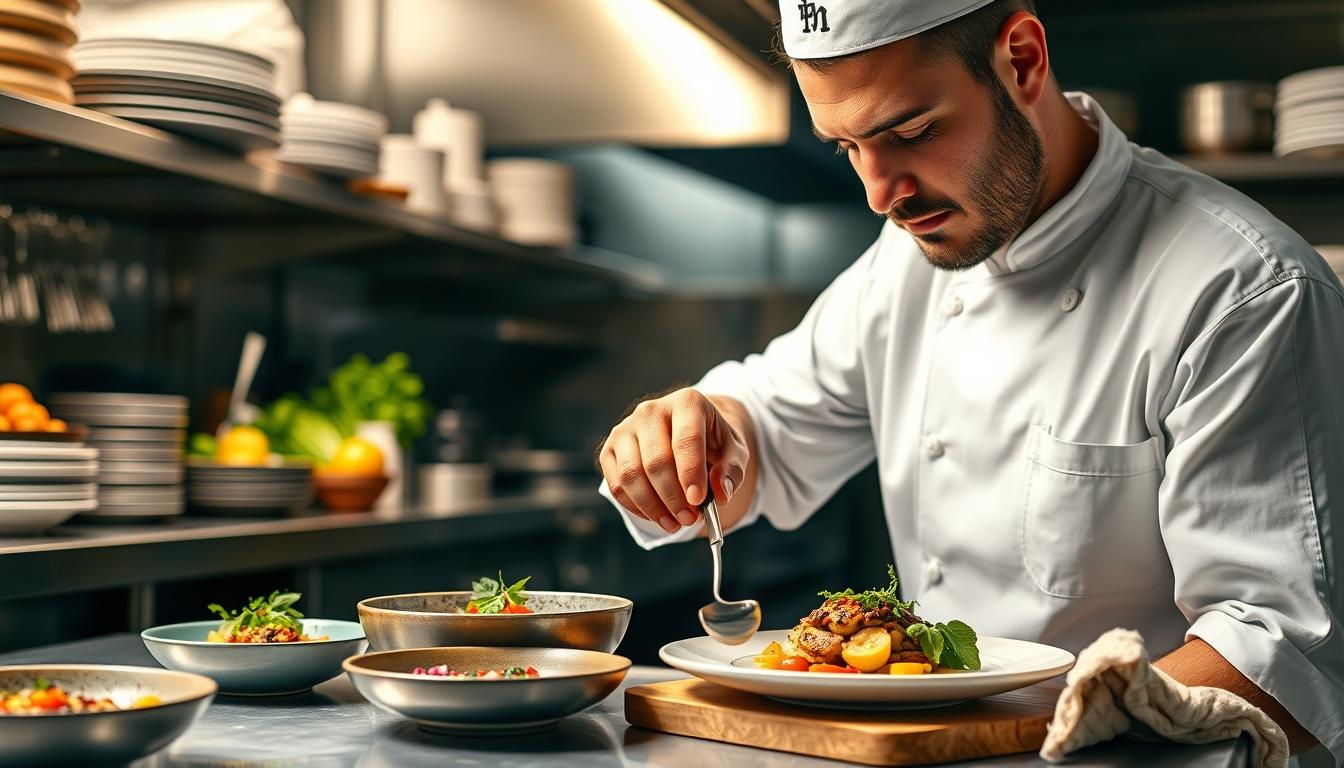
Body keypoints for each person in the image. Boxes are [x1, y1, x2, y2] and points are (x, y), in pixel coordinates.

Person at [596, 0, 1343, 760]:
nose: (880, 195)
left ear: (1021, 60)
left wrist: (1048, 730)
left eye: (912, 132)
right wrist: (693, 434)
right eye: (846, 146)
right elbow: (768, 432)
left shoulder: (1245, 291)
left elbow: (1279, 650)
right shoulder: (903, 262)